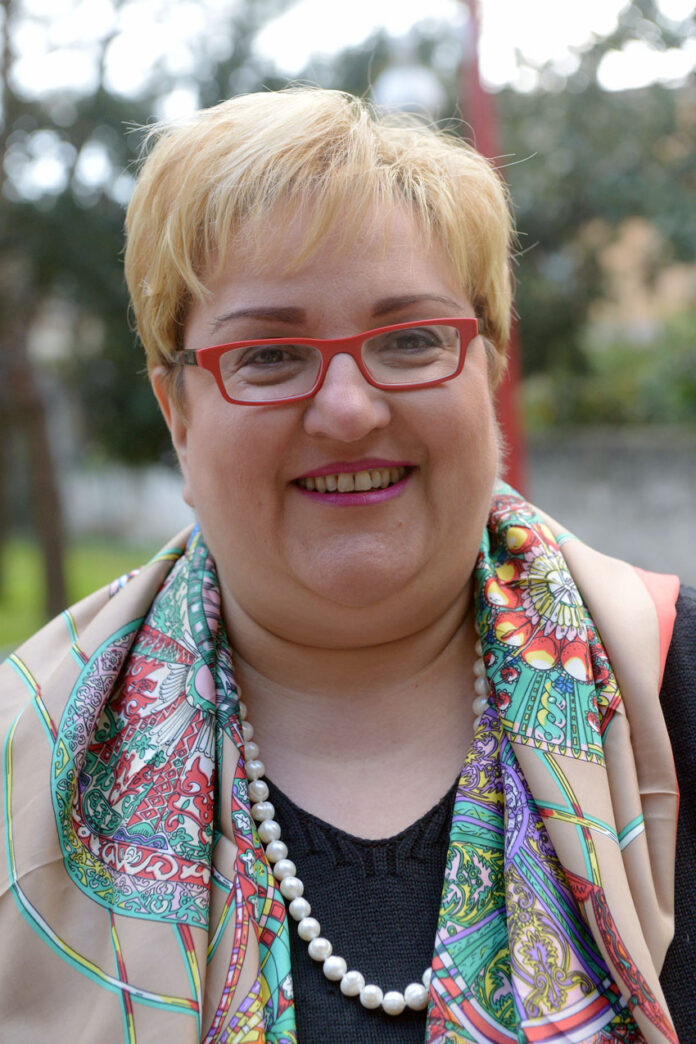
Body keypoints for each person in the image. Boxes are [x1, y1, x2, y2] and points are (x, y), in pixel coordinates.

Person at [0, 87, 693, 1044]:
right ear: (178, 412)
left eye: (409, 340)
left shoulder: (673, 686)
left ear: (488, 366)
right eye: (270, 355)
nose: (349, 409)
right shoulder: (20, 760)